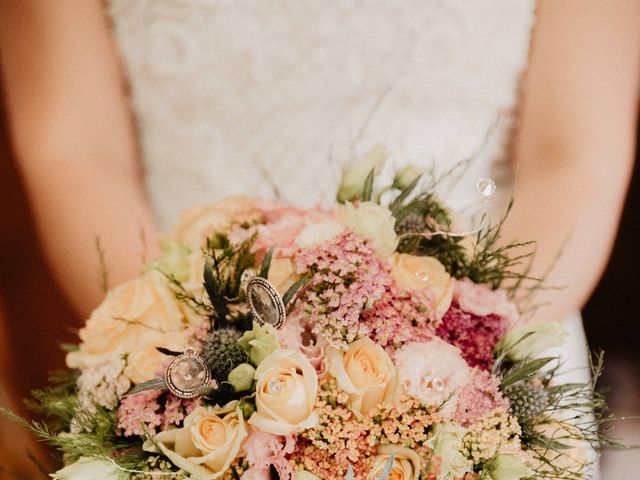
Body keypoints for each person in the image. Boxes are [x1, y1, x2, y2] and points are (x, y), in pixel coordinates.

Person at [0, 0, 638, 476]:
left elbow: (573, 158)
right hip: (184, 352)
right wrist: (195, 359)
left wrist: (445, 370)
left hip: (487, 341)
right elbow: (76, 152)